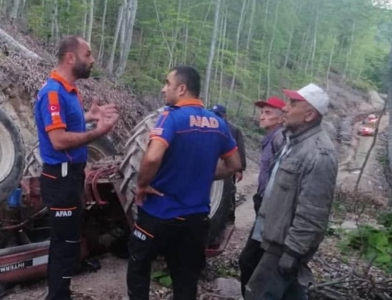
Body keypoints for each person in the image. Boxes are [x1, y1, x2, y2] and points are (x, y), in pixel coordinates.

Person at [126, 65, 242, 300]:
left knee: (139, 269)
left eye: (167, 83)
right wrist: (204, 174)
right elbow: (234, 165)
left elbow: (152, 156)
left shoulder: (171, 118)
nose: (162, 89)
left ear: (181, 88)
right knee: (186, 280)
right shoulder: (218, 124)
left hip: (159, 214)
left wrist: (142, 185)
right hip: (195, 221)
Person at [34, 35, 119, 300]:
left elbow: (64, 124)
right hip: (60, 178)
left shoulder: (68, 91)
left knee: (69, 239)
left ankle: (63, 291)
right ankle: (58, 296)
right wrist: (99, 132)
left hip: (71, 176)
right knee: (64, 244)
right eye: (88, 54)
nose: (92, 60)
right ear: (71, 58)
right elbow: (58, 140)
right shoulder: (52, 93)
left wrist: (89, 117)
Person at [245, 83, 338, 300]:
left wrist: (292, 253)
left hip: (285, 247)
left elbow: (313, 213)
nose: (285, 108)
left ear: (309, 115)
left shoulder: (319, 154)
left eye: (292, 103)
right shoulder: (293, 142)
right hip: (275, 240)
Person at [237, 96, 286, 297]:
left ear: (282, 118)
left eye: (268, 113)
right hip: (263, 203)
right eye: (262, 112)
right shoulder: (271, 138)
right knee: (256, 259)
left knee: (249, 259)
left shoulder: (280, 138)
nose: (261, 116)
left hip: (271, 207)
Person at [209, 104, 247, 224]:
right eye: (214, 114)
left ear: (225, 116)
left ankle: (230, 217)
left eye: (219, 115)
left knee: (230, 191)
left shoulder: (233, 129)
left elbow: (239, 148)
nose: (216, 117)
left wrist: (240, 169)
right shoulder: (208, 126)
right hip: (213, 165)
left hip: (228, 166)